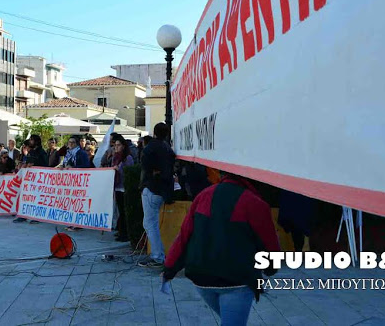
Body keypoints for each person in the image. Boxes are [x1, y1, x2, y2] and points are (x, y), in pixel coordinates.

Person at [162, 172, 280, 325]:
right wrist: (271, 268)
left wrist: (169, 269)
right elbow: (269, 244)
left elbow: (184, 236)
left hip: (202, 279)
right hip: (237, 282)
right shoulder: (255, 203)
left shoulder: (203, 196)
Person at [138, 123, 175, 268]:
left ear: (154, 132)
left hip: (152, 189)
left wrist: (151, 176)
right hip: (162, 190)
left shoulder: (150, 148)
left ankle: (158, 256)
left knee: (150, 224)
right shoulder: (168, 149)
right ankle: (158, 254)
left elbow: (145, 167)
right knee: (151, 223)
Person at [112, 135, 134, 242]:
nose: (116, 147)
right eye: (115, 145)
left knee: (123, 211)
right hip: (117, 187)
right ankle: (121, 231)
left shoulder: (127, 158)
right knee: (119, 210)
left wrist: (118, 169)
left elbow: (128, 172)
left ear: (123, 146)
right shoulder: (115, 157)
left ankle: (125, 233)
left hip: (124, 187)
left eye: (118, 145)